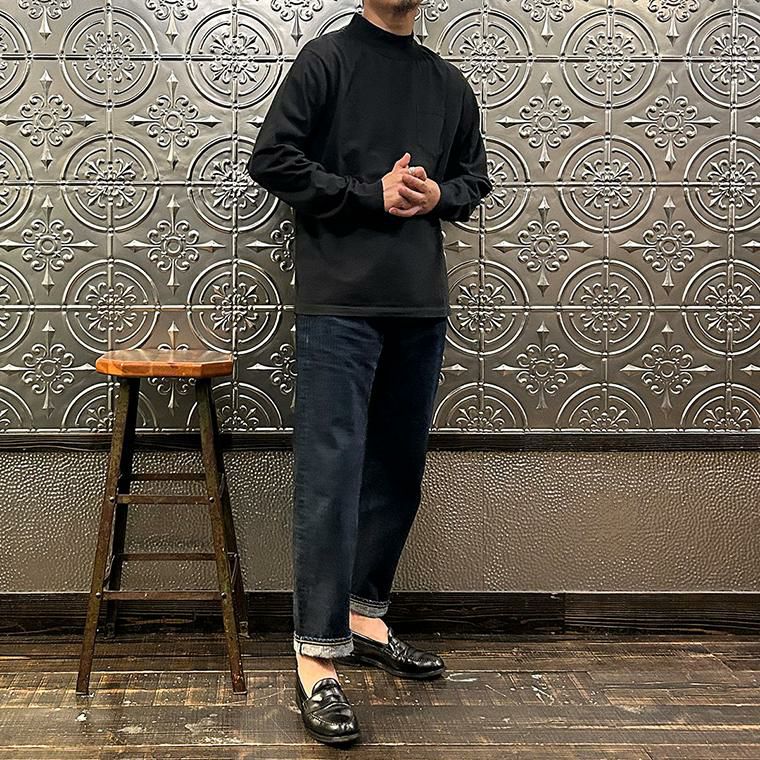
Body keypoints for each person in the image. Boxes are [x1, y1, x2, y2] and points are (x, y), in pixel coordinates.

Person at [247, 0, 492, 746]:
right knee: (331, 478)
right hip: (338, 308)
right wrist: (367, 193)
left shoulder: (447, 81)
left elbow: (475, 180)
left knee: (397, 471)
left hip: (420, 305)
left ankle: (364, 617)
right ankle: (316, 658)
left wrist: (439, 195)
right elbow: (272, 159)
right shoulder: (327, 60)